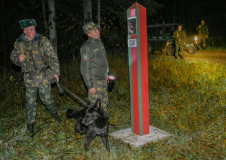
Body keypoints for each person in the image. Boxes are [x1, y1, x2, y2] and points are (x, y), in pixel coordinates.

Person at [10, 19, 61, 138]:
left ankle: (54, 114)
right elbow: (13, 57)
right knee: (30, 103)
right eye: (30, 30)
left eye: (34, 29)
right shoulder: (19, 44)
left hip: (43, 76)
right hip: (29, 78)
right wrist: (18, 59)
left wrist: (56, 73)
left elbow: (52, 57)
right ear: (24, 31)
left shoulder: (42, 41)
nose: (33, 31)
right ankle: (30, 124)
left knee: (47, 100)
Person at [80, 21, 109, 111]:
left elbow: (104, 61)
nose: (98, 31)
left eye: (97, 29)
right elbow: (84, 69)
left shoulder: (100, 44)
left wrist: (107, 74)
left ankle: (103, 123)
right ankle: (93, 125)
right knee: (94, 107)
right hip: (95, 81)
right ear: (89, 34)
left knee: (104, 104)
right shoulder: (86, 47)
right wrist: (89, 85)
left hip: (103, 79)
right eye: (95, 31)